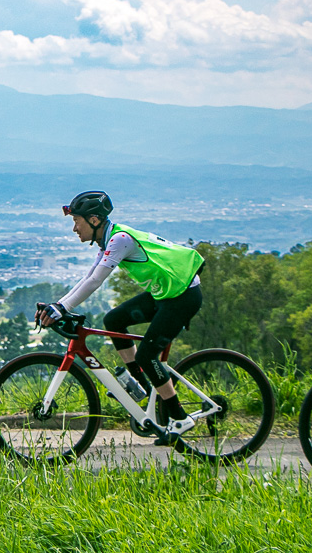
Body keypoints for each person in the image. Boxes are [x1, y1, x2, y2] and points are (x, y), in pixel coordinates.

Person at [37, 190, 205, 444]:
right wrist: (59, 305)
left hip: (183, 295)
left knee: (148, 356)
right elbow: (88, 277)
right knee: (114, 320)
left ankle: (179, 417)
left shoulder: (120, 240)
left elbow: (95, 281)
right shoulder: (109, 240)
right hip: (167, 293)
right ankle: (141, 385)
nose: (74, 229)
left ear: (94, 220)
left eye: (76, 221)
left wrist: (61, 308)